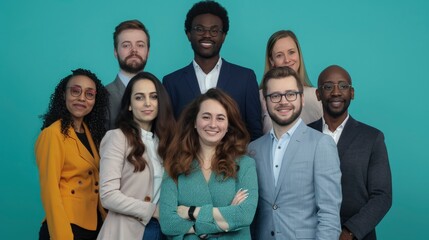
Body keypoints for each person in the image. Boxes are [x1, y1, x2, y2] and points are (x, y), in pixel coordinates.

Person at [248, 66, 342, 239]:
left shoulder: (321, 144)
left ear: (302, 99)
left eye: (290, 94)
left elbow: (329, 215)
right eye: (275, 96)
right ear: (266, 102)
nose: (283, 101)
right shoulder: (253, 150)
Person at [159, 88, 258, 239]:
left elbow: (244, 216)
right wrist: (226, 215)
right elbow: (168, 224)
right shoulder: (174, 164)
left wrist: (191, 212)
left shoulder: (245, 165)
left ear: (228, 126)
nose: (213, 124)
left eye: (220, 118)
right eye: (206, 117)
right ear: (194, 122)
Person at [308, 65, 392, 240]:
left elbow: (382, 196)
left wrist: (349, 232)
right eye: (328, 86)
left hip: (356, 235)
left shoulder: (372, 138)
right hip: (310, 232)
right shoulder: (304, 134)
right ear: (318, 94)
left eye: (343, 86)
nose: (336, 92)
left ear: (352, 93)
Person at [163, 0, 262, 140]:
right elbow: (168, 133)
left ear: (224, 36)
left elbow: (255, 132)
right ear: (188, 34)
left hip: (235, 160)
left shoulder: (245, 78)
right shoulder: (172, 82)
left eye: (214, 30)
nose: (207, 35)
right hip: (185, 161)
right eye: (199, 29)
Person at [97, 72, 175, 240]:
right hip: (125, 231)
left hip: (163, 231)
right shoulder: (117, 137)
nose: (148, 103)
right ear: (130, 105)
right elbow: (108, 196)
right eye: (139, 97)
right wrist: (152, 210)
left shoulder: (165, 143)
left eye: (153, 97)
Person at [35, 68, 109, 240]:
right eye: (75, 91)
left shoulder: (90, 134)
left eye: (89, 94)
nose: (82, 98)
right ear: (63, 95)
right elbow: (50, 191)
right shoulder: (52, 134)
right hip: (65, 227)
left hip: (93, 225)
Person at [260, 30, 322, 133]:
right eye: (279, 55)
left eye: (291, 52)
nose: (287, 60)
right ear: (271, 61)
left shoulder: (317, 97)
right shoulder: (259, 97)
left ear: (299, 54)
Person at [106, 19, 150, 129]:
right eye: (126, 45)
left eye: (140, 45)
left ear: (148, 52)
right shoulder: (103, 96)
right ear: (115, 52)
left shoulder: (161, 93)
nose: (134, 50)